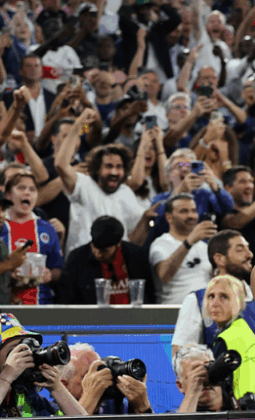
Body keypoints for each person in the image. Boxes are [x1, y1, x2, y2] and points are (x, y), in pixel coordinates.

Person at [55, 109, 150, 255]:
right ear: (97, 169)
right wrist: (79, 125)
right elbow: (61, 165)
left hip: (117, 261)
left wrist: (147, 218)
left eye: (119, 167)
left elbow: (133, 237)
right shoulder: (84, 185)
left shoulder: (126, 192)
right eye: (108, 166)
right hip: (85, 260)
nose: (114, 172)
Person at [0, 313, 88, 417]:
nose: (27, 353)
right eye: (16, 348)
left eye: (27, 345)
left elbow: (82, 418)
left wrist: (57, 388)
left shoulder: (27, 396)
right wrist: (6, 377)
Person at [56, 216, 154, 304]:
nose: (98, 253)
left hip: (131, 316)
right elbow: (65, 296)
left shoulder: (136, 256)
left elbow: (149, 293)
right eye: (94, 247)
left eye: (104, 251)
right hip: (92, 316)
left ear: (118, 244)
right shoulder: (77, 258)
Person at [0, 171, 64, 305]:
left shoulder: (47, 229)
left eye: (32, 189)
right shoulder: (1, 225)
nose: (27, 193)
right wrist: (8, 274)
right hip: (5, 305)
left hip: (42, 304)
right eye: (21, 188)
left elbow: (58, 269)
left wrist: (49, 275)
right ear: (8, 195)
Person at [202, 275, 255, 399]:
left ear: (238, 302)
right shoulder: (242, 329)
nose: (215, 303)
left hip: (239, 407)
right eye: (211, 296)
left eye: (224, 297)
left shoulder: (227, 339)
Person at [150, 194, 216, 304]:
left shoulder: (204, 246)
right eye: (183, 211)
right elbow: (164, 275)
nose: (191, 216)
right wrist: (189, 242)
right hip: (174, 309)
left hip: (206, 307)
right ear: (169, 217)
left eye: (194, 211)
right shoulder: (161, 243)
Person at [59, 342, 153, 414]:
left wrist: (143, 408)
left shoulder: (114, 406)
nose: (99, 378)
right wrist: (90, 398)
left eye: (100, 369)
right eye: (88, 375)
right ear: (64, 385)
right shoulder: (53, 410)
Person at [173, 344, 225, 413]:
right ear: (180, 386)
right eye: (195, 375)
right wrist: (193, 393)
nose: (204, 380)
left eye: (208, 370)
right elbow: (180, 417)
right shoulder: (170, 415)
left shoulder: (237, 402)